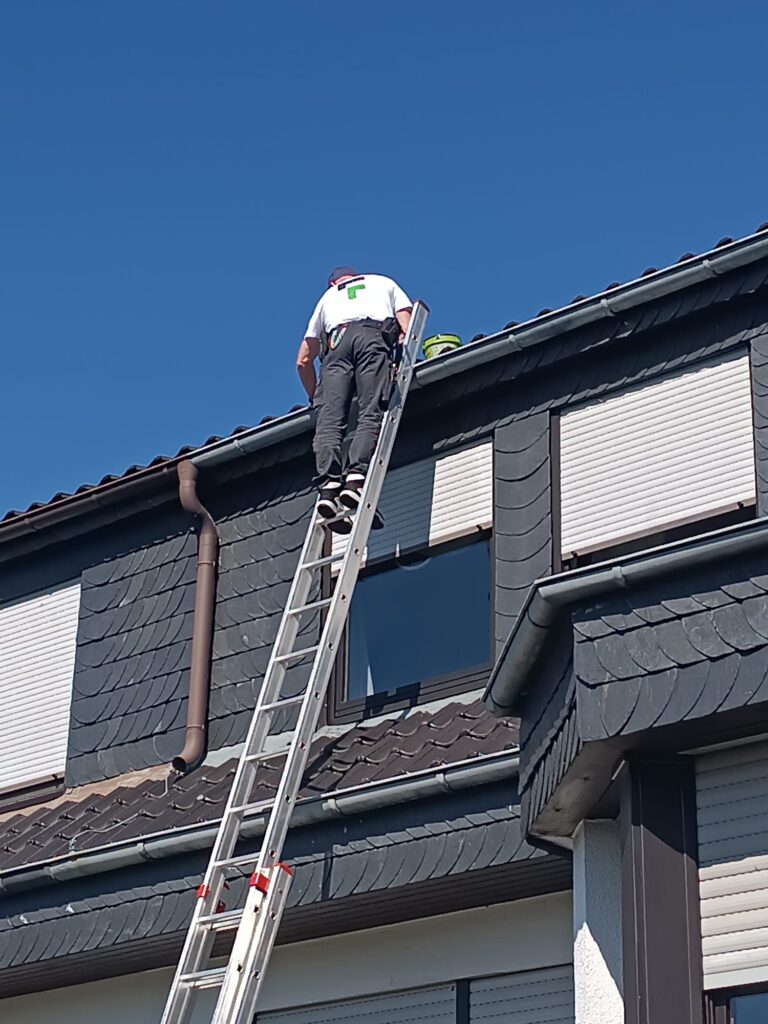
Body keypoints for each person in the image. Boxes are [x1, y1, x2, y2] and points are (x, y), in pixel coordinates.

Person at [297, 267, 412, 522]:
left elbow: (303, 360)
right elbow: (406, 324)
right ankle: (355, 479)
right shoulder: (383, 281)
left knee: (329, 424)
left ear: (333, 283)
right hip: (371, 336)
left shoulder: (327, 299)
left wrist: (316, 396)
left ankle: (328, 487)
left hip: (335, 345)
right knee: (371, 410)